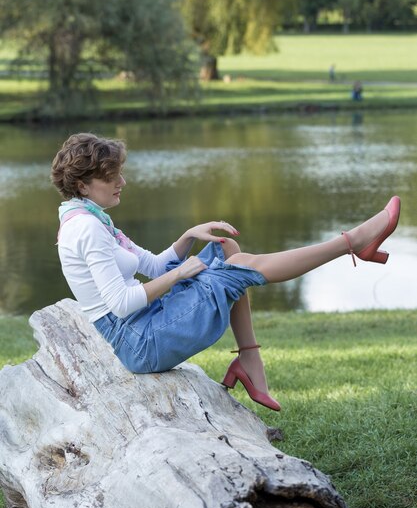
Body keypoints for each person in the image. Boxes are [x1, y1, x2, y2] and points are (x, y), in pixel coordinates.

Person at [51, 133, 401, 413]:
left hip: (144, 324)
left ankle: (250, 359)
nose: (122, 182)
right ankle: (353, 241)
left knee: (226, 249)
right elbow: (122, 302)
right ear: (83, 185)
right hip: (140, 342)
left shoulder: (93, 218)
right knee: (240, 266)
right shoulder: (87, 230)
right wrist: (179, 275)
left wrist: (189, 235)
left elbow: (153, 265)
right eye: (112, 177)